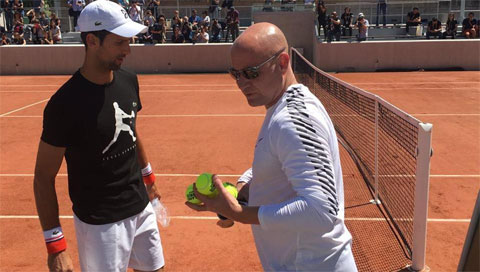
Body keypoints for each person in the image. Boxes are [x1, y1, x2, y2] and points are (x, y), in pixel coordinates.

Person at [186, 22, 357, 272]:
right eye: (235, 73)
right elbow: (280, 161)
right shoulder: (286, 107)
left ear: (283, 62)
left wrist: (239, 213)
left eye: (251, 72)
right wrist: (245, 187)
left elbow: (321, 212)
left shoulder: (292, 119)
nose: (241, 82)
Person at [33, 1, 165, 271]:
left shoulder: (128, 80)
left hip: (140, 207)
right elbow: (43, 177)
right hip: (100, 223)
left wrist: (149, 180)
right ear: (92, 41)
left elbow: (132, 131)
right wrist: (55, 245)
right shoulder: (64, 104)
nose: (127, 50)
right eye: (119, 43)